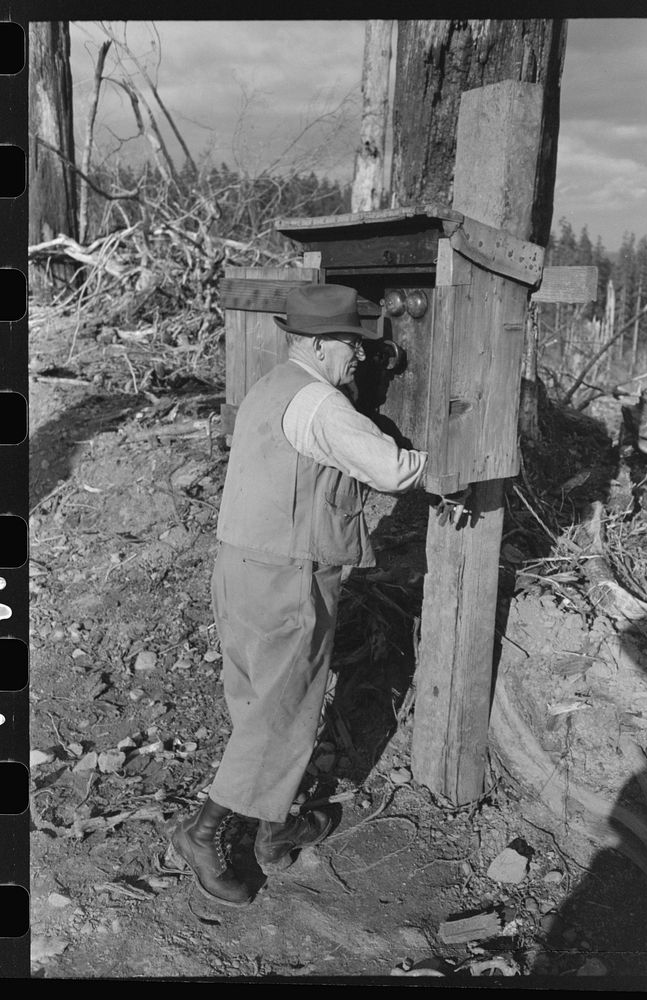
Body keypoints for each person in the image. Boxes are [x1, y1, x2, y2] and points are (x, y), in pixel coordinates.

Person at [171, 283, 428, 905]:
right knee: (283, 708)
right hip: (287, 575)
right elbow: (391, 470)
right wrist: (440, 456)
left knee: (258, 700)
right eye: (348, 345)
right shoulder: (319, 401)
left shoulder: (271, 385)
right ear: (317, 344)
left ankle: (275, 822)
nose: (359, 357)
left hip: (239, 565)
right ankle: (204, 833)